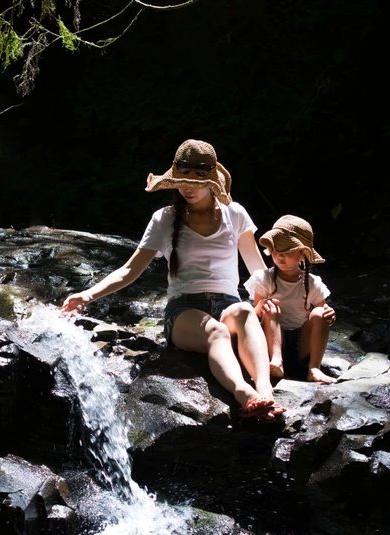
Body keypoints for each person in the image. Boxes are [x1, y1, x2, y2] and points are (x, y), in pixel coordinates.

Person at [61, 140, 284, 423]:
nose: (187, 188)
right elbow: (130, 270)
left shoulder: (235, 214)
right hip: (184, 310)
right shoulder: (164, 219)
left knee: (244, 311)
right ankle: (246, 396)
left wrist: (279, 299)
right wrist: (87, 295)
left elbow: (257, 269)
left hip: (229, 302)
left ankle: (266, 392)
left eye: (195, 182)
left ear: (212, 182)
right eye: (181, 181)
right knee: (216, 332)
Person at [245, 215, 336, 384]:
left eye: (287, 252)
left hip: (301, 344)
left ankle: (313, 368)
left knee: (318, 312)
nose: (280, 257)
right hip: (270, 341)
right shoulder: (264, 278)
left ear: (303, 254)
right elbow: (253, 318)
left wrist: (329, 314)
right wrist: (263, 306)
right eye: (276, 251)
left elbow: (324, 320)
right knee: (271, 308)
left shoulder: (312, 283)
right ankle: (276, 359)